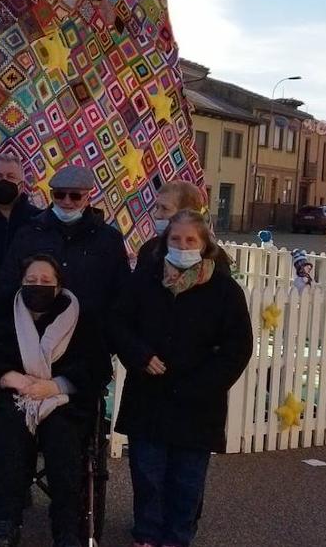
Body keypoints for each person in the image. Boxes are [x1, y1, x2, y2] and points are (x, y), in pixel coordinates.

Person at [107, 210, 253, 547]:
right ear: (165, 241)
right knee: (148, 474)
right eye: (176, 239)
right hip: (149, 394)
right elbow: (118, 323)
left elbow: (237, 347)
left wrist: (204, 384)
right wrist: (139, 354)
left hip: (198, 402)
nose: (182, 245)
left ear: (204, 245)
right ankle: (146, 533)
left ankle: (178, 536)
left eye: (191, 240)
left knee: (188, 478)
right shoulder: (144, 279)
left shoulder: (224, 290)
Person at [0, 254, 111, 547]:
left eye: (45, 281)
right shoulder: (2, 313)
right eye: (31, 281)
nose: (38, 286)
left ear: (59, 286)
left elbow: (98, 367)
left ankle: (67, 528)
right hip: (13, 399)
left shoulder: (81, 317)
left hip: (63, 401)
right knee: (8, 435)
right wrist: (6, 376)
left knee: (63, 440)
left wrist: (55, 385)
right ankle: (4, 522)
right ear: (20, 282)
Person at [0, 165, 129, 314]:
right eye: (60, 195)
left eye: (75, 196)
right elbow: (7, 284)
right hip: (36, 328)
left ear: (88, 198)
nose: (67, 202)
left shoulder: (109, 239)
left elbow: (121, 293)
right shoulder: (29, 233)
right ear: (52, 195)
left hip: (90, 330)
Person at [136, 180, 209, 273]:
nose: (156, 215)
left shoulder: (215, 257)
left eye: (165, 208)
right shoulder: (148, 250)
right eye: (157, 207)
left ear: (186, 213)